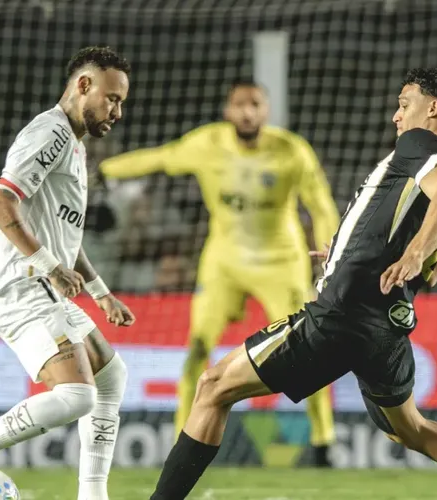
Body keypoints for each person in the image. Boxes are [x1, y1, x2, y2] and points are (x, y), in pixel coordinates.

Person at [148, 68, 437, 500]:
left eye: (404, 104)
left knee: (212, 387)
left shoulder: (421, 145)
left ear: (432, 108)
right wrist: (348, 252)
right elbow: (435, 266)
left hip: (344, 313)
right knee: (411, 429)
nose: (397, 116)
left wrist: (411, 253)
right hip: (386, 325)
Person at [0, 46, 135, 500]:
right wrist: (49, 267)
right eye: (112, 98)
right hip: (14, 282)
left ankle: (93, 495)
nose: (117, 111)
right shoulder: (50, 134)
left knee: (111, 377)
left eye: (121, 101)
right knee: (77, 396)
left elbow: (66, 240)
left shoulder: (75, 147)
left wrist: (100, 292)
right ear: (83, 86)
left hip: (39, 281)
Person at [100, 80, 340, 465]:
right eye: (240, 105)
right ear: (228, 111)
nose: (248, 112)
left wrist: (331, 252)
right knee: (197, 347)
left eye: (256, 104)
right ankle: (185, 439)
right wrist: (104, 170)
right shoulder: (207, 144)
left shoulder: (292, 151)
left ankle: (323, 442)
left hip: (281, 263)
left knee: (306, 350)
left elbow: (320, 204)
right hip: (224, 262)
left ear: (266, 110)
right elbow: (161, 158)